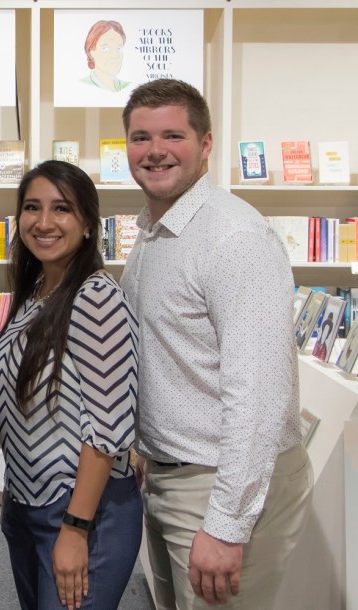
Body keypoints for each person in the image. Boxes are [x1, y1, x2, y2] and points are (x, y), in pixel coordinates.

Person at [119, 78, 313, 609]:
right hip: (168, 477)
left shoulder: (233, 238)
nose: (155, 151)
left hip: (221, 486)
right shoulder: (155, 233)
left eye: (173, 135)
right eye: (140, 138)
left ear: (206, 145)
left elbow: (260, 394)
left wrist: (227, 524)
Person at [0, 160, 142, 610]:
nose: (44, 222)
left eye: (62, 209)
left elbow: (109, 428)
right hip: (28, 505)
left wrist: (75, 529)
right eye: (32, 207)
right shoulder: (36, 292)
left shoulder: (95, 297)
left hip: (82, 514)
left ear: (89, 225)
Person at [79, 20, 130, 93]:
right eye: (106, 49)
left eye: (119, 48)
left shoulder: (127, 86)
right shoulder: (83, 86)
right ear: (91, 51)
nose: (115, 55)